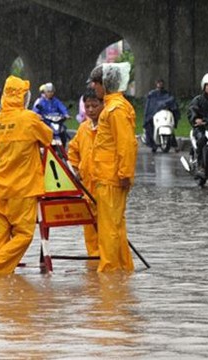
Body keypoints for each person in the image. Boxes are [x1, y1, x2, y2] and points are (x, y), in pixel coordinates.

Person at [0, 75, 53, 276]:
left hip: (0, 186)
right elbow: (47, 137)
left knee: (0, 234)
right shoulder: (28, 119)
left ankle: (3, 283)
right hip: (23, 186)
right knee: (24, 234)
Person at [87, 62, 137, 273]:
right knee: (116, 227)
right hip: (108, 176)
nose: (93, 89)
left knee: (108, 229)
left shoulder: (115, 109)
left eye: (95, 84)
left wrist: (125, 174)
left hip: (111, 178)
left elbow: (125, 144)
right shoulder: (113, 107)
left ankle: (108, 272)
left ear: (104, 84)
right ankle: (123, 270)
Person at [67, 88, 104, 257]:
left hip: (105, 187)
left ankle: (109, 261)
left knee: (107, 228)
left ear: (102, 104)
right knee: (90, 229)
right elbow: (73, 150)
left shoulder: (107, 127)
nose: (90, 110)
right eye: (87, 106)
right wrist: (75, 169)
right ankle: (94, 260)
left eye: (94, 105)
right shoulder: (83, 128)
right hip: (87, 188)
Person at [144, 79, 180, 151]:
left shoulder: (166, 94)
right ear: (156, 84)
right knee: (150, 125)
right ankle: (153, 144)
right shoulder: (152, 94)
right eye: (158, 83)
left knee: (170, 126)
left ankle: (174, 144)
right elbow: (150, 106)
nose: (160, 84)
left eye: (161, 83)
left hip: (165, 114)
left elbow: (171, 102)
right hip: (154, 115)